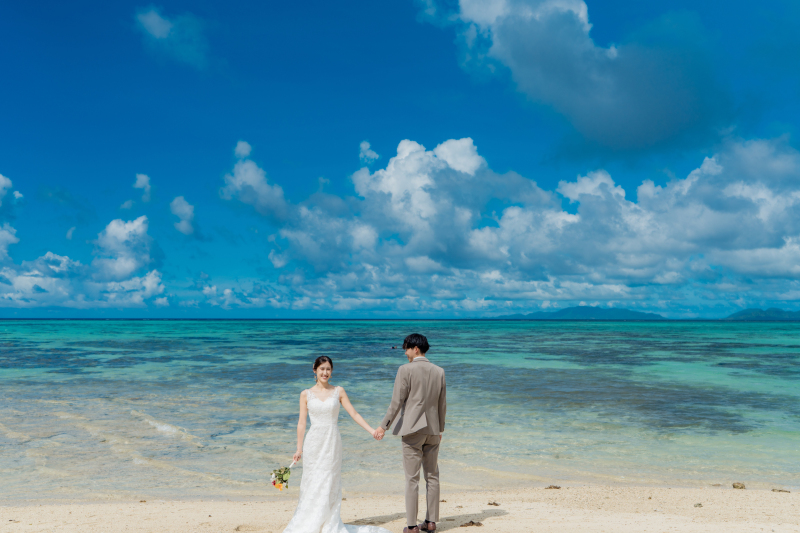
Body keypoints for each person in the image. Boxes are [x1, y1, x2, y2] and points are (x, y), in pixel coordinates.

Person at [282, 356, 390, 533]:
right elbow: (301, 423)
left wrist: (372, 431)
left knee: (330, 480)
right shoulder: (305, 394)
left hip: (332, 442)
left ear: (331, 372)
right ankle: (310, 520)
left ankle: (328, 521)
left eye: (328, 369)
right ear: (314, 370)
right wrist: (299, 448)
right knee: (312, 481)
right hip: (314, 442)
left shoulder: (338, 391)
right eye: (322, 369)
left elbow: (354, 414)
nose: (325, 372)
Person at [373, 334, 446, 533]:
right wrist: (440, 429)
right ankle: (431, 522)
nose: (404, 353)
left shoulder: (405, 370)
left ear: (415, 348)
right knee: (432, 476)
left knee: (412, 479)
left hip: (413, 430)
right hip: (433, 430)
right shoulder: (439, 371)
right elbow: (442, 404)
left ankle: (412, 526)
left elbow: (396, 402)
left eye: (406, 349)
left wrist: (383, 426)